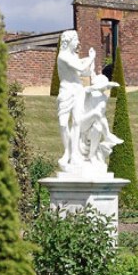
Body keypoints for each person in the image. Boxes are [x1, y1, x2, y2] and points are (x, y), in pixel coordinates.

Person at [56, 30, 95, 170]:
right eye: (76, 39)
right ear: (68, 41)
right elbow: (79, 66)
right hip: (66, 91)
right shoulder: (63, 56)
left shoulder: (73, 56)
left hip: (78, 91)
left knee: (77, 122)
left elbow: (81, 71)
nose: (78, 43)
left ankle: (74, 154)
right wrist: (91, 57)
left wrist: (89, 65)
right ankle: (67, 151)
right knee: (62, 123)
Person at [79, 74, 122, 164]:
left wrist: (108, 85)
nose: (106, 87)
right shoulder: (88, 92)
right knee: (96, 113)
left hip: (95, 123)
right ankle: (108, 135)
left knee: (98, 128)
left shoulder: (104, 97)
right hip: (83, 122)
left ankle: (92, 155)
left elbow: (102, 117)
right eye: (105, 85)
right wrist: (105, 84)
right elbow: (89, 89)